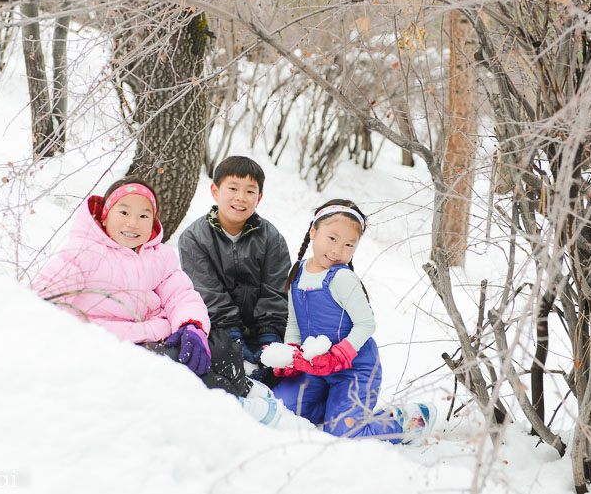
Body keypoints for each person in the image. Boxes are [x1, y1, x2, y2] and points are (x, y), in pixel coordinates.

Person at [270, 199, 436, 443]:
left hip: (353, 369)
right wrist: (292, 354)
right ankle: (335, 406)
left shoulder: (342, 279)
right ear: (313, 232)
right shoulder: (298, 273)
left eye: (349, 245)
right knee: (281, 409)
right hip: (316, 368)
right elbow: (294, 323)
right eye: (332, 239)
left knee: (344, 434)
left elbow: (366, 324)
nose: (338, 251)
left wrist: (338, 356)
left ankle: (405, 419)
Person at [32, 176, 212, 379]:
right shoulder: (84, 252)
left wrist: (192, 325)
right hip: (106, 345)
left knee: (215, 352)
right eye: (124, 212)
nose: (133, 223)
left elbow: (180, 295)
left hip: (157, 337)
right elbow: (46, 302)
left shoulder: (158, 257)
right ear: (105, 217)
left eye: (144, 216)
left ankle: (241, 400)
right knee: (176, 378)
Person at [178, 156, 291, 396]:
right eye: (232, 188)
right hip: (220, 328)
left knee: (281, 368)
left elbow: (276, 289)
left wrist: (269, 336)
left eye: (250, 191)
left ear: (259, 198)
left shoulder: (271, 238)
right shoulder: (194, 238)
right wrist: (233, 336)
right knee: (221, 370)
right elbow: (207, 291)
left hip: (265, 328)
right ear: (215, 191)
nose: (241, 197)